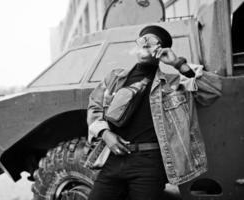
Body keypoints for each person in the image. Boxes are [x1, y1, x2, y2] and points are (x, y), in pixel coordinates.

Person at [86, 25, 222, 200]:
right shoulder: (115, 78)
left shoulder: (173, 84)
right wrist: (105, 134)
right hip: (113, 158)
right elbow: (94, 107)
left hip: (149, 163)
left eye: (152, 42)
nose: (145, 43)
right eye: (143, 40)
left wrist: (178, 64)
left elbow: (212, 91)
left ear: (160, 50)